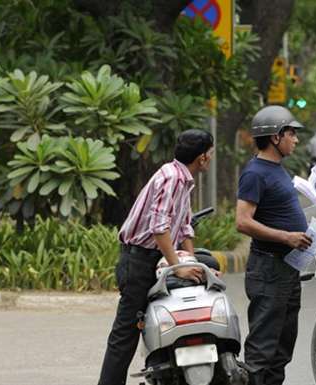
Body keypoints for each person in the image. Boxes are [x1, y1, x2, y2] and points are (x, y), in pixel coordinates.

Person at [98, 129, 215, 385]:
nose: (211, 157)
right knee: (126, 334)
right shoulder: (172, 178)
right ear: (203, 157)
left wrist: (190, 263)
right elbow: (159, 227)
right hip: (139, 261)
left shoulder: (183, 179)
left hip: (157, 258)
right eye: (210, 152)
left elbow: (184, 226)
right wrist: (178, 268)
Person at [235, 105, 312, 385]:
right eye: (291, 133)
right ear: (275, 137)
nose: (296, 139)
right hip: (268, 269)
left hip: (287, 270)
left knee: (282, 348)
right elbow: (243, 221)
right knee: (262, 350)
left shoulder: (277, 169)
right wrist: (286, 237)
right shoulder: (255, 173)